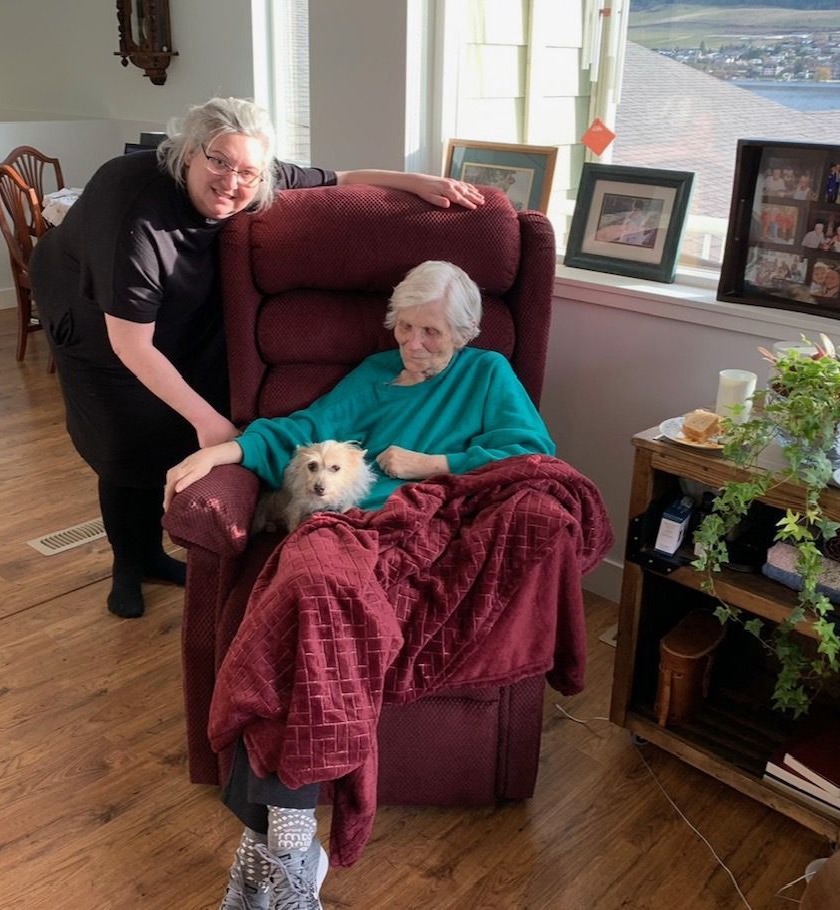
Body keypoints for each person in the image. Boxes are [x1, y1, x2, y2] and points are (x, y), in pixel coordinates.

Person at [164, 260, 554, 910]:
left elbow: (531, 452)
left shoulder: (487, 374)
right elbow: (303, 430)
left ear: (465, 333)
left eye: (431, 332)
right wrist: (221, 452)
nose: (414, 344)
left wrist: (434, 463)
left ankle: (268, 852)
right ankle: (291, 851)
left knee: (304, 618)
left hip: (428, 532)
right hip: (344, 530)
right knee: (303, 601)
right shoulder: (374, 375)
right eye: (405, 328)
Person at [29, 97, 483, 620]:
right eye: (218, 162)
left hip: (171, 303)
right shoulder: (134, 210)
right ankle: (129, 563)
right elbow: (131, 345)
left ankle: (153, 552)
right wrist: (212, 424)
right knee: (126, 436)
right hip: (93, 314)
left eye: (247, 171)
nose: (231, 181)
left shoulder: (251, 171)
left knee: (176, 421)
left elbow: (339, 179)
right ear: (189, 152)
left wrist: (415, 182)